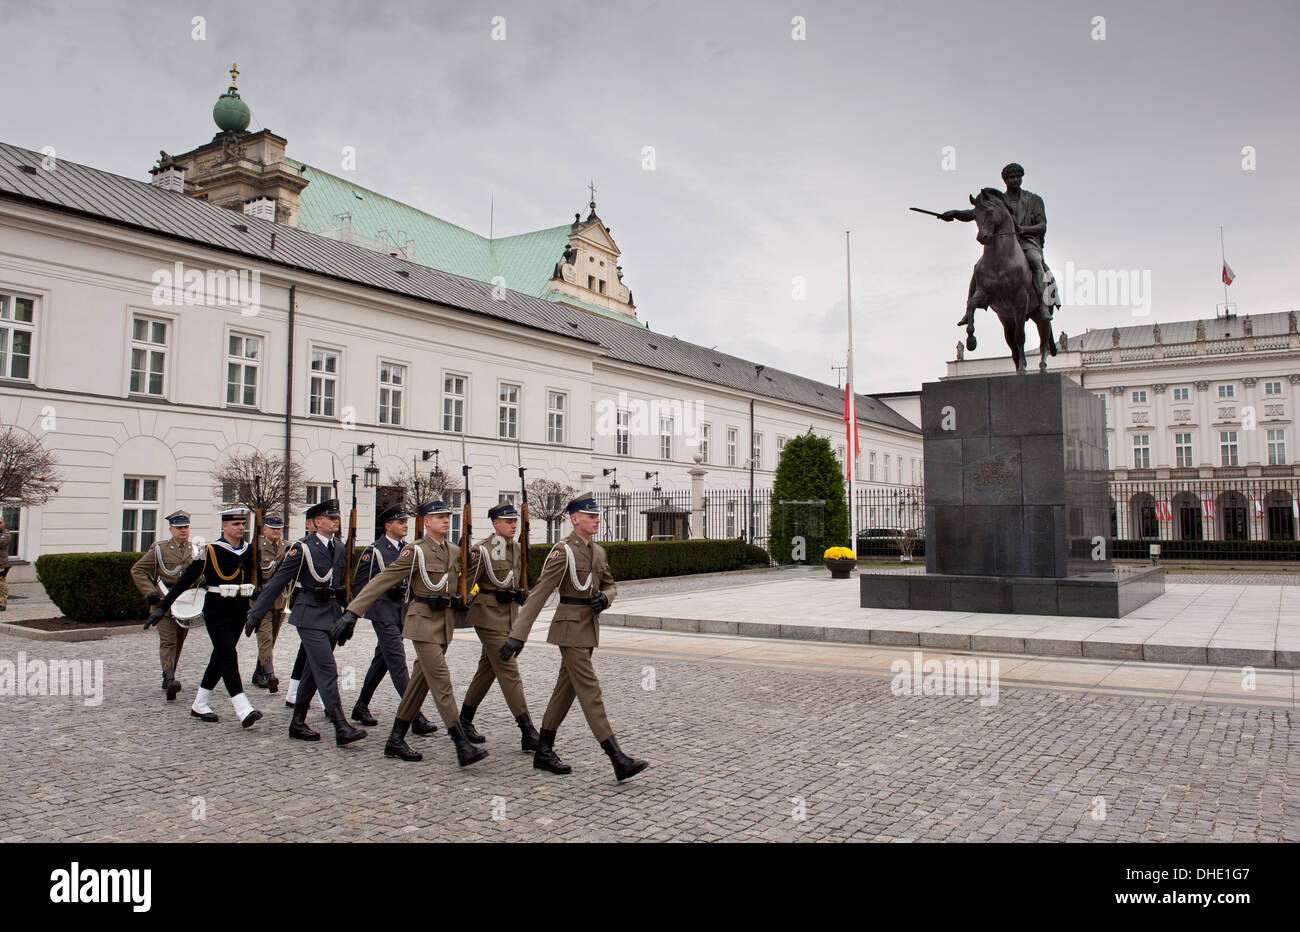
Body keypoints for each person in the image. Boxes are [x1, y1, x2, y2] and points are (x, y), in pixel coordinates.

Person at [500, 492, 647, 781]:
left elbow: (610, 585)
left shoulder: (598, 551)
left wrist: (606, 598)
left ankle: (544, 751)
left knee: (564, 692)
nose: (596, 520)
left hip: (588, 628)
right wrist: (519, 635)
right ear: (574, 518)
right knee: (591, 691)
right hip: (569, 629)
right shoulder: (562, 551)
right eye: (590, 515)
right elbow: (540, 594)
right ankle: (617, 758)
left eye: (597, 515)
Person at [338, 501, 486, 766]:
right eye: (439, 517)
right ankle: (460, 742)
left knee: (419, 682)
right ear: (426, 522)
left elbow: (465, 579)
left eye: (447, 517)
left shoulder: (454, 551)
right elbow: (382, 580)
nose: (445, 520)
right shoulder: (415, 551)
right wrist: (352, 611)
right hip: (422, 622)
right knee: (441, 680)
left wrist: (471, 556)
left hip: (444, 624)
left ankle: (396, 739)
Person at [245, 499, 365, 747]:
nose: (335, 521)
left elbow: (341, 587)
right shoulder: (302, 548)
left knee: (312, 671)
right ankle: (340, 725)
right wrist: (256, 613)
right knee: (327, 668)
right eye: (330, 518)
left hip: (331, 613)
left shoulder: (340, 548)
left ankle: (297, 722)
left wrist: (349, 616)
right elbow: (278, 581)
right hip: (309, 614)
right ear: (317, 522)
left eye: (337, 518)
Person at [148, 507, 263, 728]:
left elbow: (256, 579)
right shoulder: (210, 551)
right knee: (228, 654)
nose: (240, 527)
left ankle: (200, 703)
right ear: (224, 526)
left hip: (239, 608)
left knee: (220, 656)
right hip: (216, 608)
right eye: (235, 524)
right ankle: (243, 707)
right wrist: (163, 607)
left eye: (242, 524)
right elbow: (185, 580)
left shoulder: (249, 551)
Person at [349, 504, 437, 736]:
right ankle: (414, 715)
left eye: (406, 522)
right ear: (388, 526)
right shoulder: (375, 551)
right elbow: (360, 585)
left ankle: (360, 706)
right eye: (400, 522)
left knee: (382, 660)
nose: (405, 525)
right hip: (382, 612)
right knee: (398, 662)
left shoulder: (408, 549)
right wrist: (355, 614)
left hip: (401, 612)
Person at [459, 501, 540, 751]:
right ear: (495, 524)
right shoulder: (482, 550)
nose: (513, 525)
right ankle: (527, 731)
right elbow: (465, 583)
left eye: (515, 521)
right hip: (487, 616)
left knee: (488, 669)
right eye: (508, 522)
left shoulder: (516, 548)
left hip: (509, 616)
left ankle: (464, 720)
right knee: (508, 669)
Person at [941, 162, 1059, 321]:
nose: (1016, 180)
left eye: (1018, 177)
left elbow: (1042, 225)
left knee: (1035, 260)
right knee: (978, 268)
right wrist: (954, 213)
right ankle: (968, 311)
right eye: (1012, 177)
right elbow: (975, 213)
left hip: (1026, 242)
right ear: (1005, 180)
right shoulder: (998, 202)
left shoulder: (1034, 200)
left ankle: (1043, 305)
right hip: (1003, 247)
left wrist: (1024, 230)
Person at [130, 510, 195, 700]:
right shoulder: (160, 549)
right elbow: (138, 570)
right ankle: (169, 677)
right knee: (168, 640)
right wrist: (150, 592)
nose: (183, 531)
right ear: (171, 529)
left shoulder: (196, 549)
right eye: (179, 528)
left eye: (186, 527)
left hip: (185, 604)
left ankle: (169, 674)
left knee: (179, 642)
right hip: (164, 601)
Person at [251, 515, 290, 692]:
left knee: (272, 637)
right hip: (261, 599)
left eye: (278, 529)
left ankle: (259, 671)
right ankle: (269, 673)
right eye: (272, 528)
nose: (276, 532)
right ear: (264, 530)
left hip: (280, 599)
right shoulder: (255, 548)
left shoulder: (288, 547)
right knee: (265, 637)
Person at [0, 515, 9, 613]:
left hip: (1, 564)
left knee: (1, 584)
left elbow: (1, 543)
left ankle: (2, 603)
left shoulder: (5, 533)